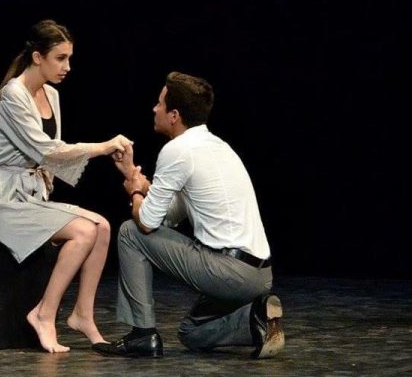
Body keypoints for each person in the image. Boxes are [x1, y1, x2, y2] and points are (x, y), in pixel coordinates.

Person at [0, 19, 133, 354]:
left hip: (31, 195)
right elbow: (47, 151)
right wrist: (103, 147)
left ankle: (82, 315)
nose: (67, 66)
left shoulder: (52, 95)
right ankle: (44, 314)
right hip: (3, 199)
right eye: (60, 58)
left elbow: (50, 159)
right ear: (37, 57)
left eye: (69, 58)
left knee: (102, 227)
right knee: (83, 232)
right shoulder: (11, 97)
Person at [105, 71, 283, 359]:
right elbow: (171, 214)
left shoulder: (177, 150)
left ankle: (142, 334)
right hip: (259, 275)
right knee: (191, 333)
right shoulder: (215, 146)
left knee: (130, 232)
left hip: (228, 271)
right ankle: (255, 320)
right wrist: (133, 176)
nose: (154, 108)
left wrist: (135, 193)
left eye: (160, 104)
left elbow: (148, 224)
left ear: (174, 115)